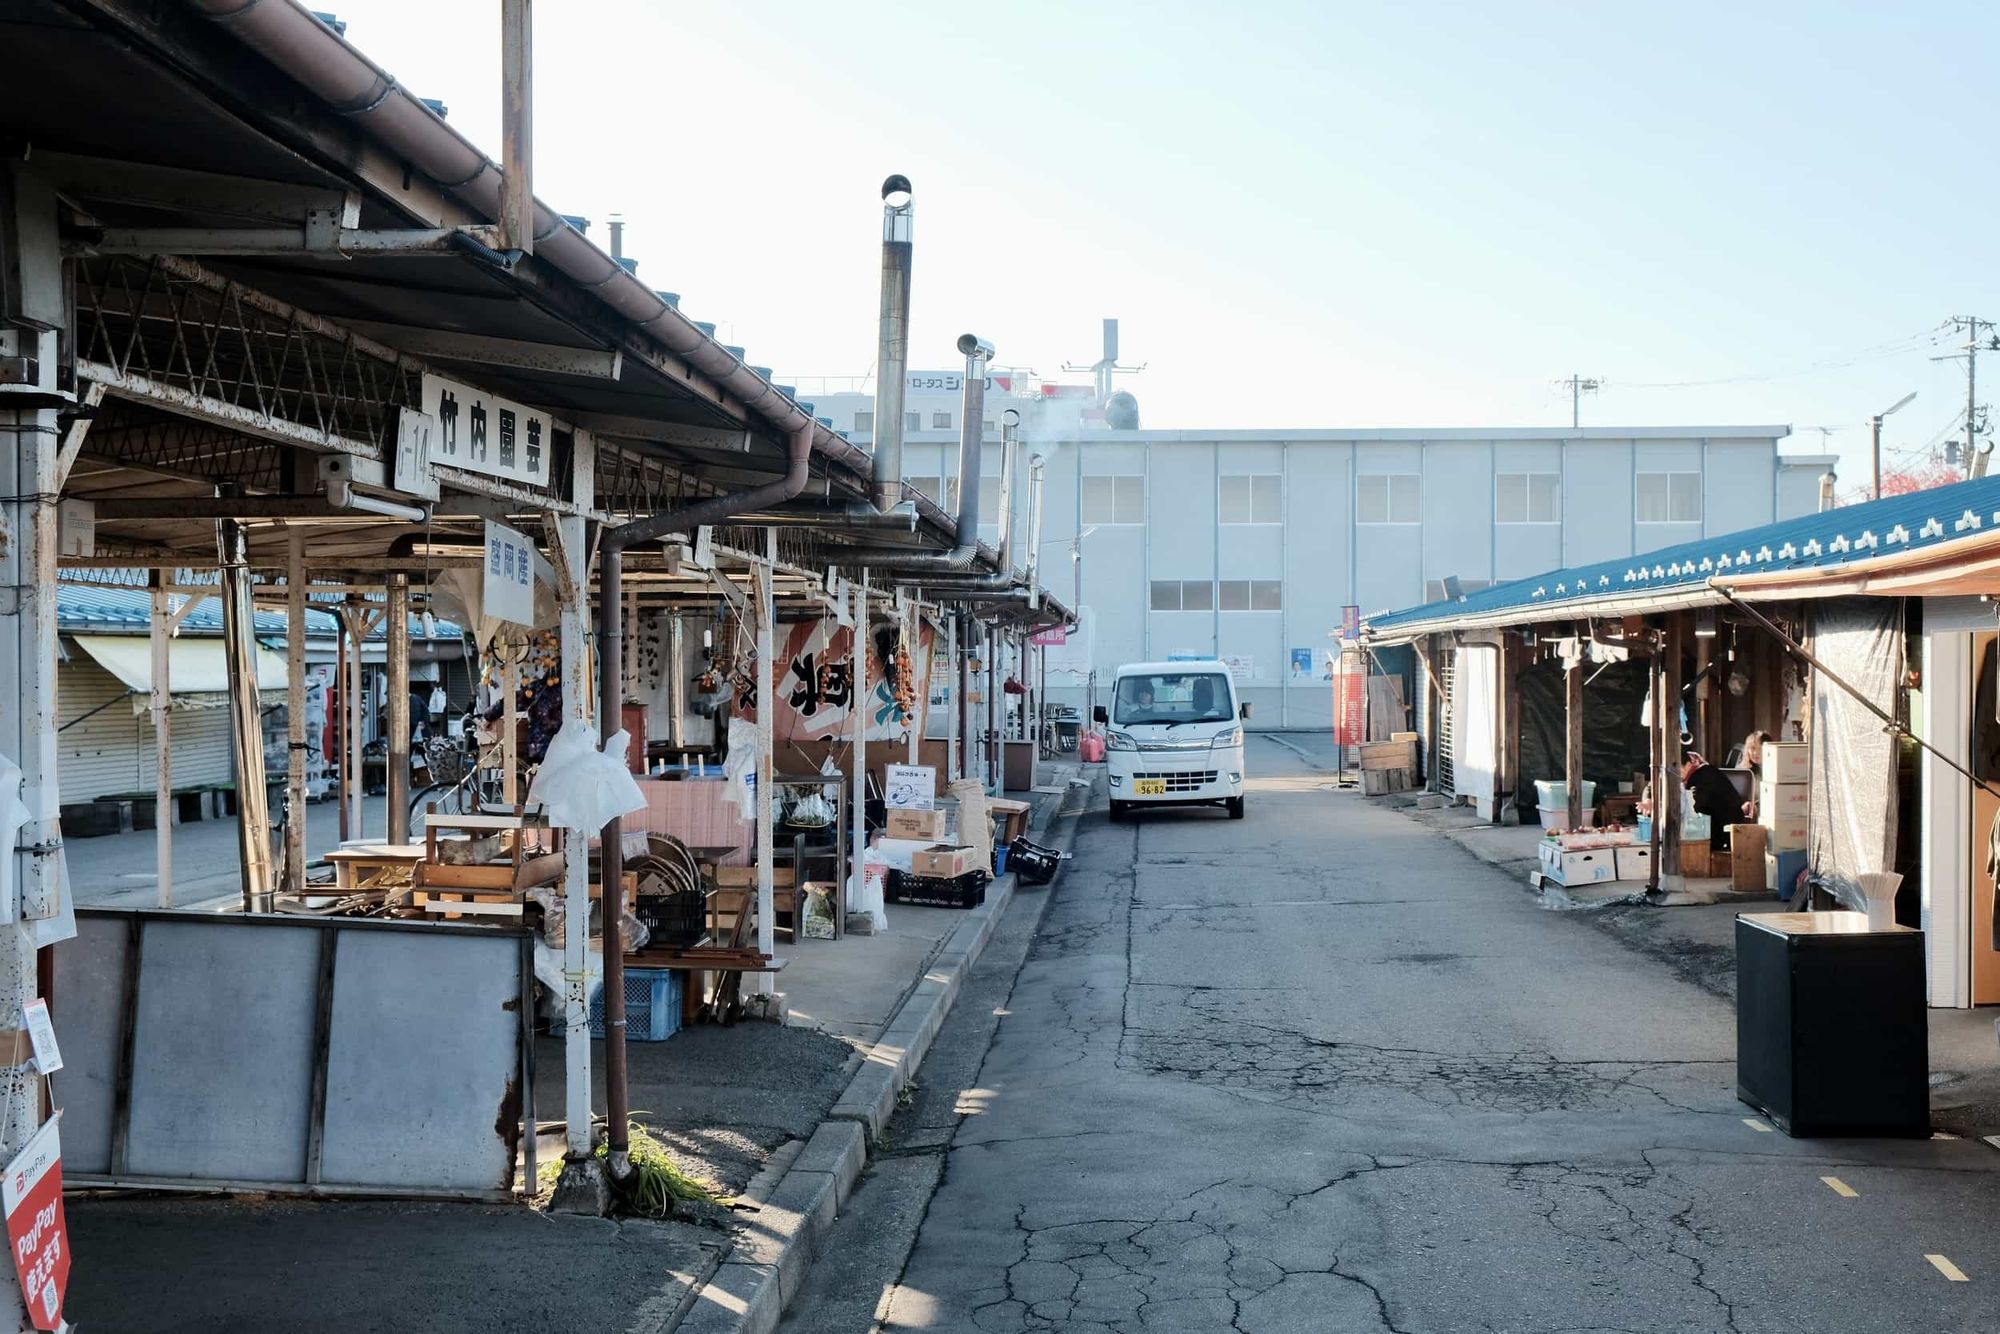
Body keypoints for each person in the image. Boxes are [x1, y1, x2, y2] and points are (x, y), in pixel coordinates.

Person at [1681, 750, 1748, 854]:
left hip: (1724, 830)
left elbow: (1696, 806)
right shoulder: (1698, 773)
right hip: (1714, 824)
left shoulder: (1703, 775)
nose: (1676, 773)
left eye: (1679, 768)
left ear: (1688, 765)